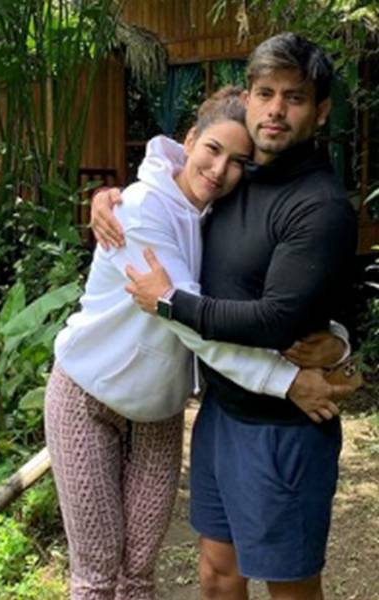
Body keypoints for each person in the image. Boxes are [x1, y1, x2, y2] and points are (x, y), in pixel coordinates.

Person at [46, 87, 351, 600]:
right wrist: (287, 381)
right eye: (212, 149)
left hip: (157, 410)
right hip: (88, 396)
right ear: (189, 140)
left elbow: (261, 298)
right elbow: (194, 326)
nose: (219, 170)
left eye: (238, 162)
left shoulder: (218, 215)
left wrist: (337, 341)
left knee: (138, 571)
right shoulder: (139, 211)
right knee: (97, 577)